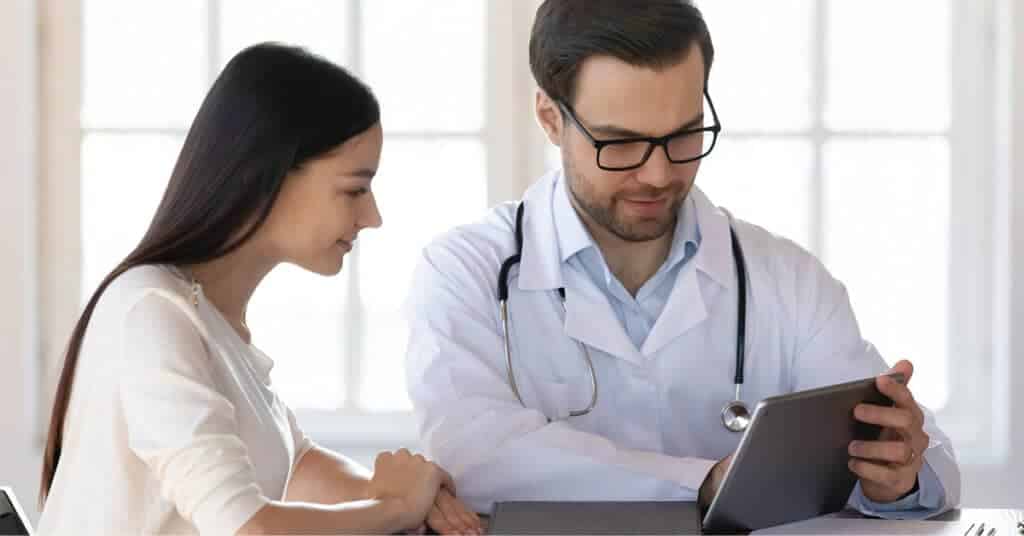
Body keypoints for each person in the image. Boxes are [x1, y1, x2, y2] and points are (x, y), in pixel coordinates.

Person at [405, 0, 960, 517]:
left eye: (685, 134)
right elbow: (473, 457)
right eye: (619, 143)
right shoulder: (466, 272)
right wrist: (703, 481)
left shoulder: (786, 279)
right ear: (550, 118)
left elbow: (927, 464)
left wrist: (900, 473)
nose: (658, 174)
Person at [38, 43, 481, 535]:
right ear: (269, 173)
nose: (372, 216)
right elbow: (249, 528)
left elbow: (296, 466)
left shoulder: (214, 322)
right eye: (355, 189)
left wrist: (398, 495)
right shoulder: (152, 310)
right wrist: (395, 507)